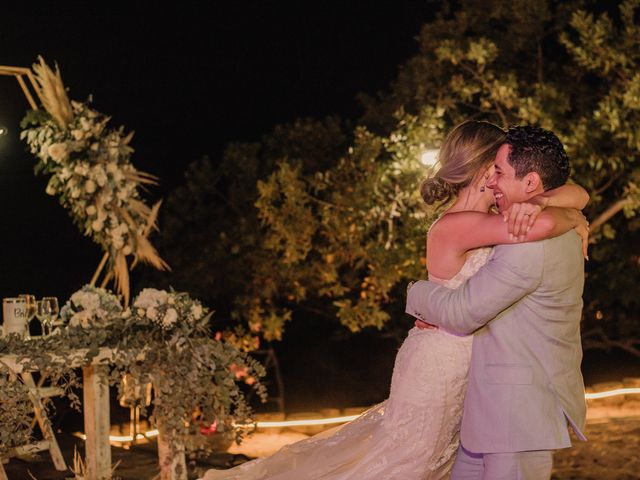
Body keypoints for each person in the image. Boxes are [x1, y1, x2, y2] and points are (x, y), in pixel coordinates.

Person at [202, 121, 588, 480]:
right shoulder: (457, 226)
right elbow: (555, 215)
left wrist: (553, 203)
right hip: (438, 365)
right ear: (486, 169)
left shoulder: (496, 220)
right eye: (500, 167)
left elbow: (572, 193)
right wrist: (572, 216)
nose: (502, 177)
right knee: (402, 462)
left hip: (470, 374)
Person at [406, 125, 588, 480]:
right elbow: (574, 201)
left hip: (512, 406)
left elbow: (460, 313)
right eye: (496, 171)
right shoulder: (521, 223)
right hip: (474, 389)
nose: (493, 183)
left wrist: (415, 293)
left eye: (501, 173)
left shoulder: (528, 238)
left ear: (530, 182)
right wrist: (567, 212)